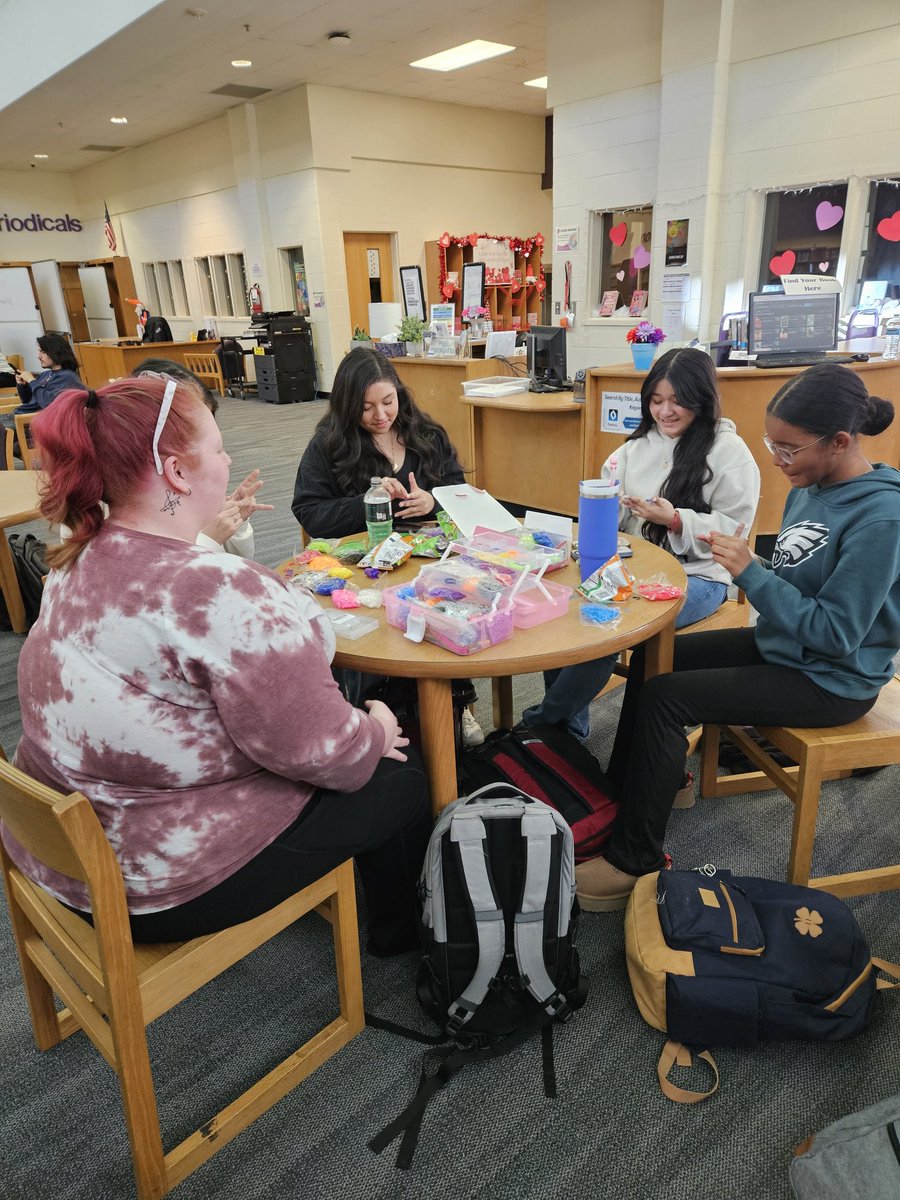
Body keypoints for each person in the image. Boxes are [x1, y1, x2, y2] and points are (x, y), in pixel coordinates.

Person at [0, 376, 431, 955]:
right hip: (158, 884)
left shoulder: (75, 554)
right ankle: (401, 941)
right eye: (222, 446)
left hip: (60, 855)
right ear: (178, 472)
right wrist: (376, 729)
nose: (230, 459)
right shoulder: (216, 590)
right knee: (400, 779)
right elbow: (330, 757)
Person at [575, 363, 900, 911]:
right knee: (657, 657)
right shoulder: (812, 484)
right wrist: (754, 567)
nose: (777, 459)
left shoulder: (881, 517)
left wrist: (751, 572)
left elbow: (837, 634)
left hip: (832, 678)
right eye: (774, 443)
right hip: (784, 646)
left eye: (789, 449)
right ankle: (635, 791)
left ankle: (636, 858)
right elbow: (797, 578)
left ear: (840, 442)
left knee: (666, 697)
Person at [524, 347, 760, 741]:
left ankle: (543, 722)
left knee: (607, 622)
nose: (665, 412)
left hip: (699, 576)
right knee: (572, 609)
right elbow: (609, 512)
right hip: (634, 566)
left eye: (677, 402)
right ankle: (567, 733)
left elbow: (735, 533)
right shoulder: (635, 449)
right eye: (656, 400)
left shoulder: (729, 453)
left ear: (702, 399)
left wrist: (675, 519)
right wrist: (605, 510)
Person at [293, 347, 485, 746]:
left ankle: (455, 701)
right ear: (347, 405)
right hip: (362, 570)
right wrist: (371, 502)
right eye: (366, 407)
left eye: (388, 402)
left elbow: (461, 496)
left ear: (400, 394)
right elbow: (309, 511)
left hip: (427, 566)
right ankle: (377, 712)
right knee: (376, 640)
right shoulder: (329, 445)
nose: (380, 415)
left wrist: (433, 500)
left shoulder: (426, 436)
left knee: (446, 614)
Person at [132, 358, 271, 558]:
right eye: (217, 450)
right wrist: (208, 540)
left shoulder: (191, 483)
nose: (227, 460)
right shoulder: (132, 502)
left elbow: (240, 561)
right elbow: (165, 576)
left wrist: (234, 523)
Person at [9, 332, 81, 414]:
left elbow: (47, 403)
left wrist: (32, 381)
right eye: (39, 352)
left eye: (43, 352)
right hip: (18, 415)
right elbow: (27, 401)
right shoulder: (45, 374)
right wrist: (23, 386)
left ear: (56, 352)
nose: (39, 356)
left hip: (29, 420)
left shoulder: (67, 377)